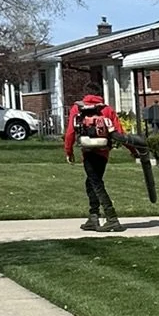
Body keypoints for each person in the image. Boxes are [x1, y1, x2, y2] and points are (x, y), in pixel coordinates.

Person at [63, 90, 137, 231]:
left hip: (88, 151)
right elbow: (119, 133)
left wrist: (69, 151)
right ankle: (93, 216)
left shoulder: (77, 108)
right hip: (103, 152)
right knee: (91, 182)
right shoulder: (107, 109)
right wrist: (133, 150)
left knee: (96, 183)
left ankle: (112, 217)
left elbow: (70, 132)